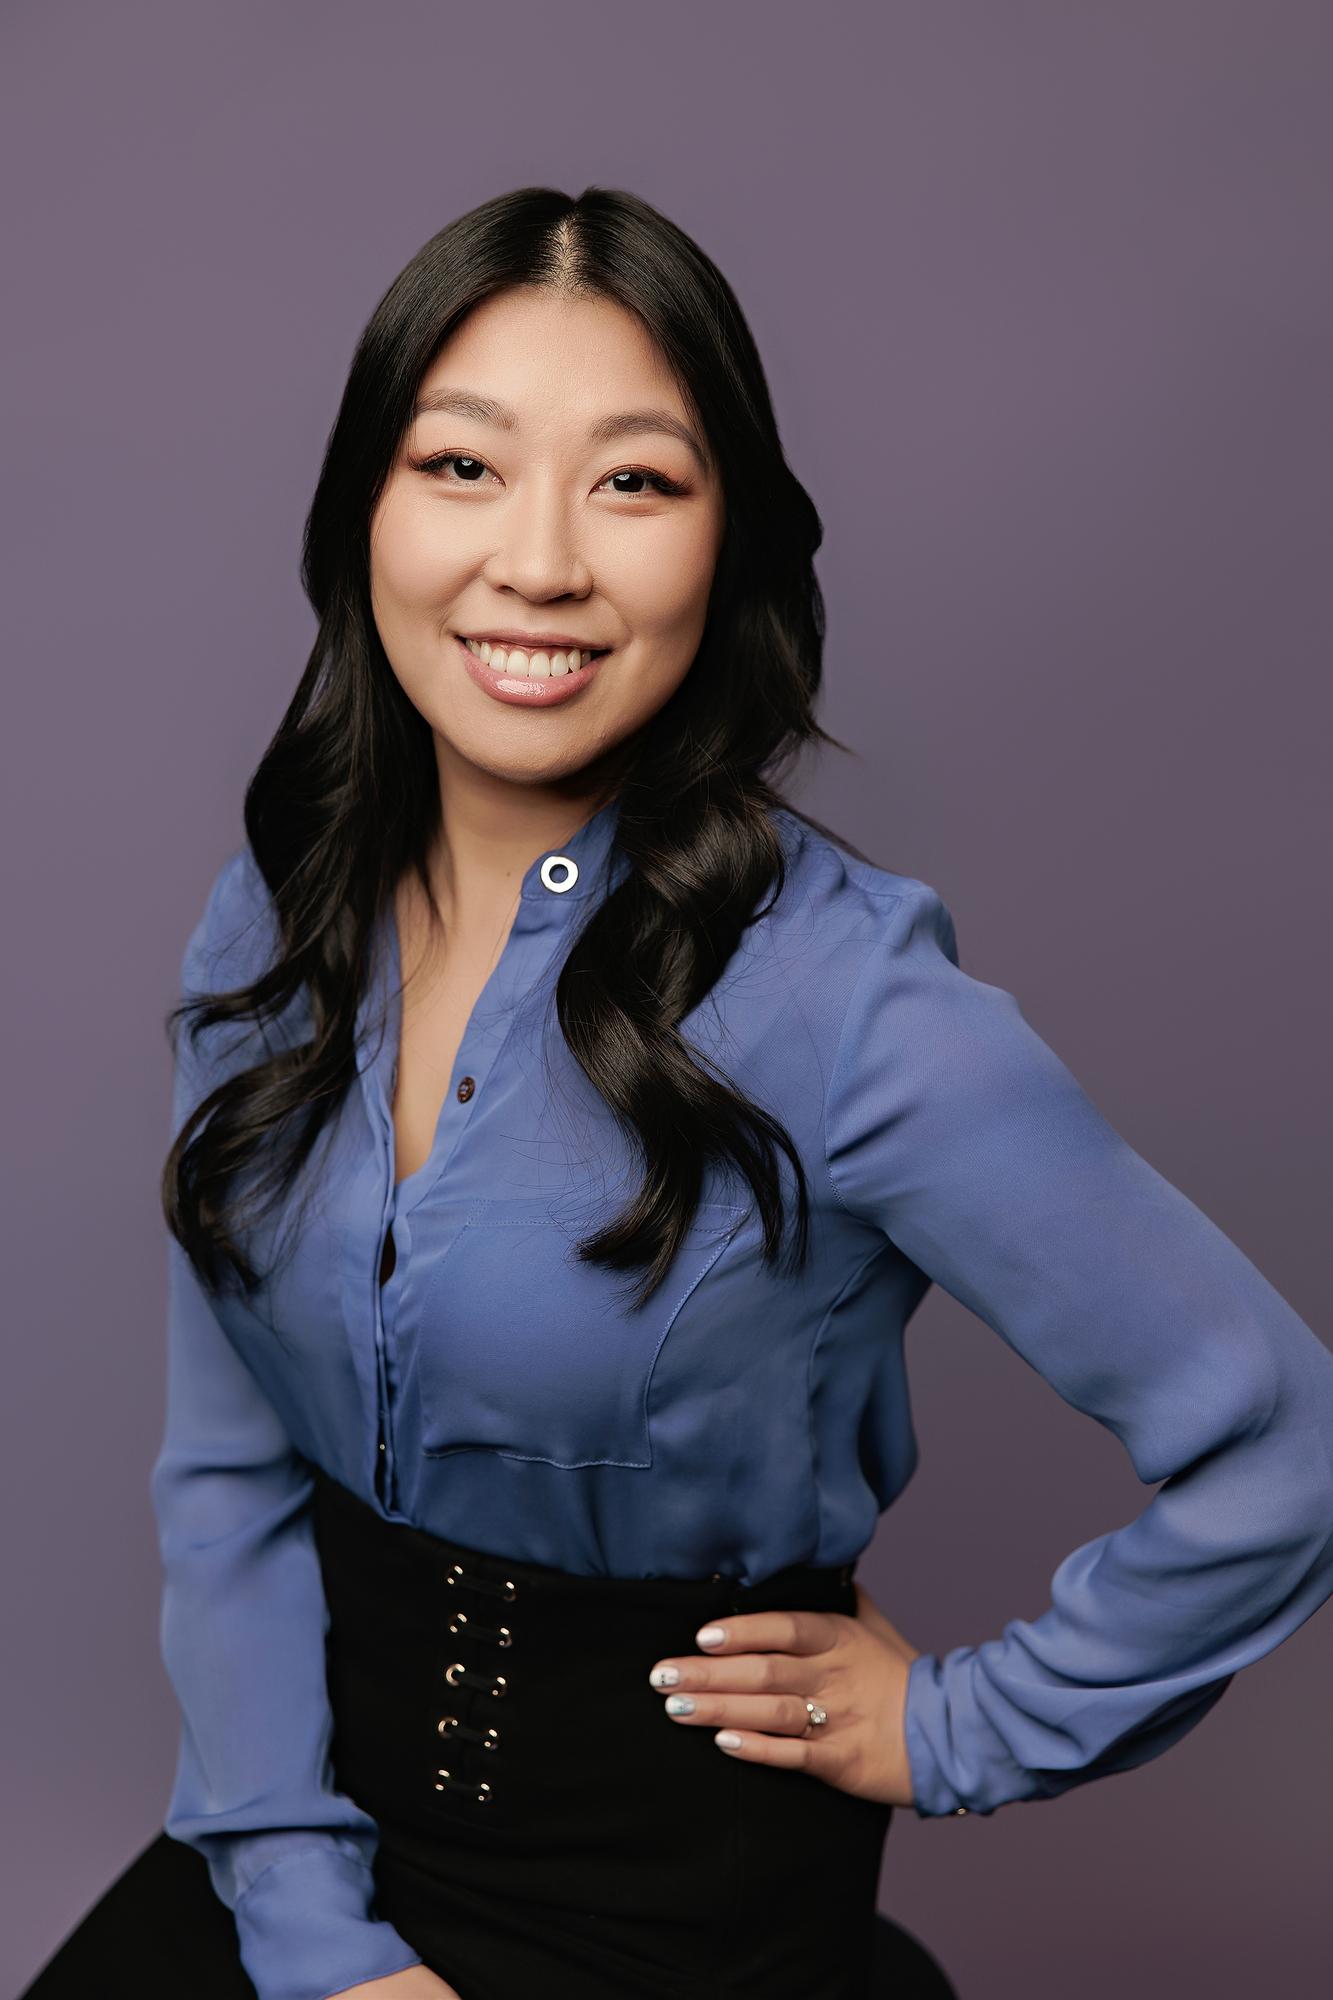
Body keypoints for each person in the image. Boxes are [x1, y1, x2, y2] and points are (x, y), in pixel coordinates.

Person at [21, 184, 1333, 2000]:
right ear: (363, 514)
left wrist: (959, 1726)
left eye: (634, 481)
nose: (539, 562)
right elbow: (228, 1476)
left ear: (727, 548)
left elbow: (1282, 1440)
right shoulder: (277, 912)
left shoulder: (853, 1004)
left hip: (682, 1912)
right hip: (294, 1843)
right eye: (461, 467)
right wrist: (314, 1935)